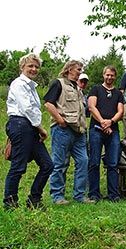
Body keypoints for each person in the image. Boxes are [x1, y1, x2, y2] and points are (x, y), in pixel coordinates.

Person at [4, 53, 54, 210]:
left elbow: (33, 110)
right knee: (18, 166)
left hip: (30, 127)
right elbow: (26, 108)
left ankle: (34, 199)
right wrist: (41, 129)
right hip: (20, 124)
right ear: (22, 67)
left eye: (36, 67)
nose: (34, 69)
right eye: (30, 66)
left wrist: (36, 127)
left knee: (47, 164)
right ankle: (10, 202)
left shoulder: (31, 87)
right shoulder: (18, 84)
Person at [44, 60, 91, 205]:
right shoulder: (59, 83)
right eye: (78, 69)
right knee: (60, 163)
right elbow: (48, 103)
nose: (80, 71)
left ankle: (79, 195)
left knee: (83, 161)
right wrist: (60, 120)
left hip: (79, 131)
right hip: (62, 130)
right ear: (69, 69)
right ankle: (57, 196)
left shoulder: (78, 88)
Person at [87, 66, 124, 202]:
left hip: (113, 131)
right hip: (96, 129)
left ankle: (113, 194)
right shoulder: (96, 89)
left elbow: (120, 111)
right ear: (103, 75)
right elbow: (91, 107)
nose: (109, 77)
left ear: (115, 77)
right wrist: (103, 122)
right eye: (107, 75)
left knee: (113, 163)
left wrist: (111, 121)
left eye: (112, 75)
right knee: (94, 162)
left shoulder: (118, 93)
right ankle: (94, 194)